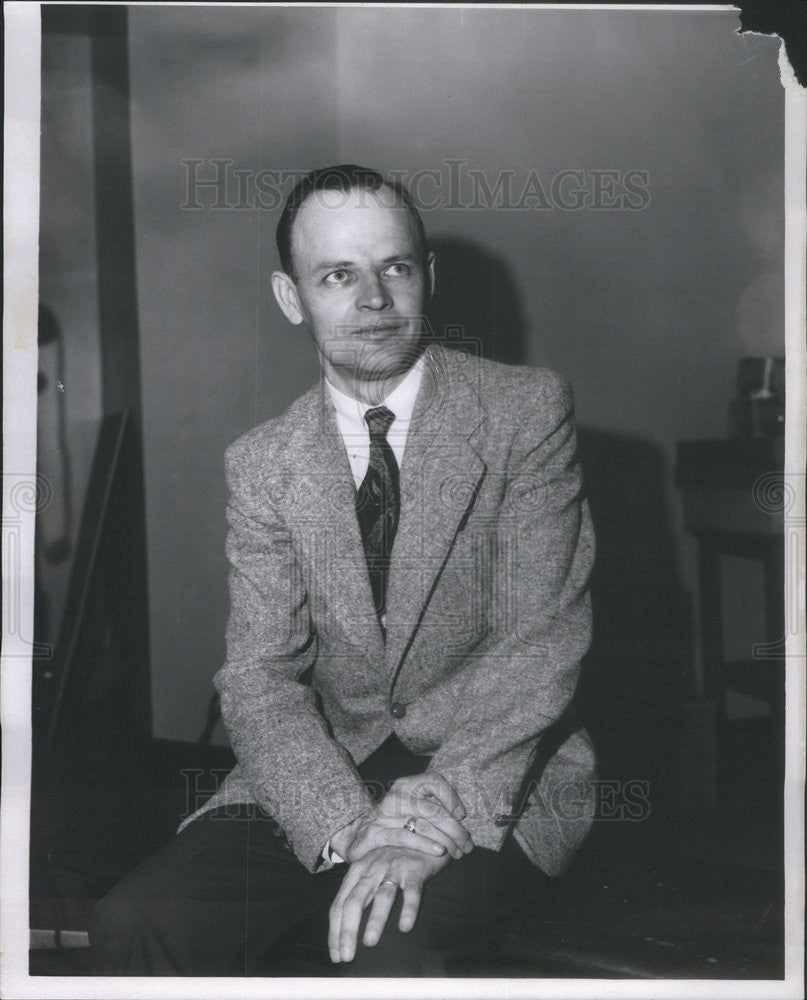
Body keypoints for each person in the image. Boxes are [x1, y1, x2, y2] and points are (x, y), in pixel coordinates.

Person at [91, 164, 596, 977]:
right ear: (292, 298)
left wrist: (430, 816)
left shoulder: (523, 413)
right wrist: (353, 827)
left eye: (394, 267)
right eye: (337, 274)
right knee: (139, 925)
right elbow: (259, 679)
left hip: (492, 764)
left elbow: (538, 644)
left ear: (427, 279)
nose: (372, 299)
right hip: (321, 768)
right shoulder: (261, 464)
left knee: (390, 950)